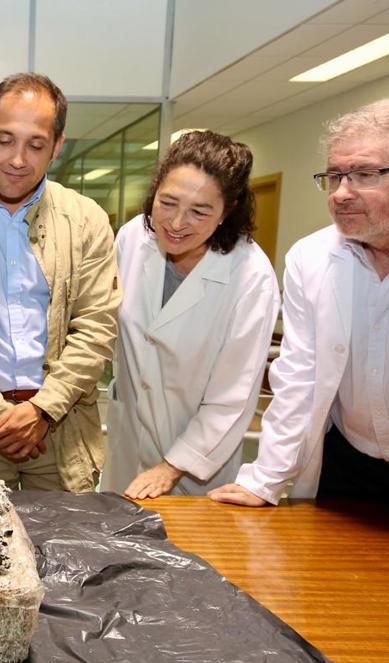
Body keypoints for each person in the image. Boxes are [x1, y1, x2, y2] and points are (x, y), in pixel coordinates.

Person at [210, 99, 389, 521]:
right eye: (335, 175)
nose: (341, 193)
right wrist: (265, 479)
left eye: (364, 175)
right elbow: (299, 376)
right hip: (348, 469)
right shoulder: (312, 257)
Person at [0, 73, 120, 491]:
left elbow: (96, 327)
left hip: (59, 428)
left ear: (57, 146)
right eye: (4, 140)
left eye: (35, 145)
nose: (18, 159)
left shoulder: (87, 220)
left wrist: (43, 410)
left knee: (64, 548)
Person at [100, 131, 280, 499]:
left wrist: (171, 467)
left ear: (227, 211)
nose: (177, 223)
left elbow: (232, 396)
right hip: (126, 445)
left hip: (194, 467)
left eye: (199, 211)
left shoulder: (250, 277)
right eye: (167, 203)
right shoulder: (133, 239)